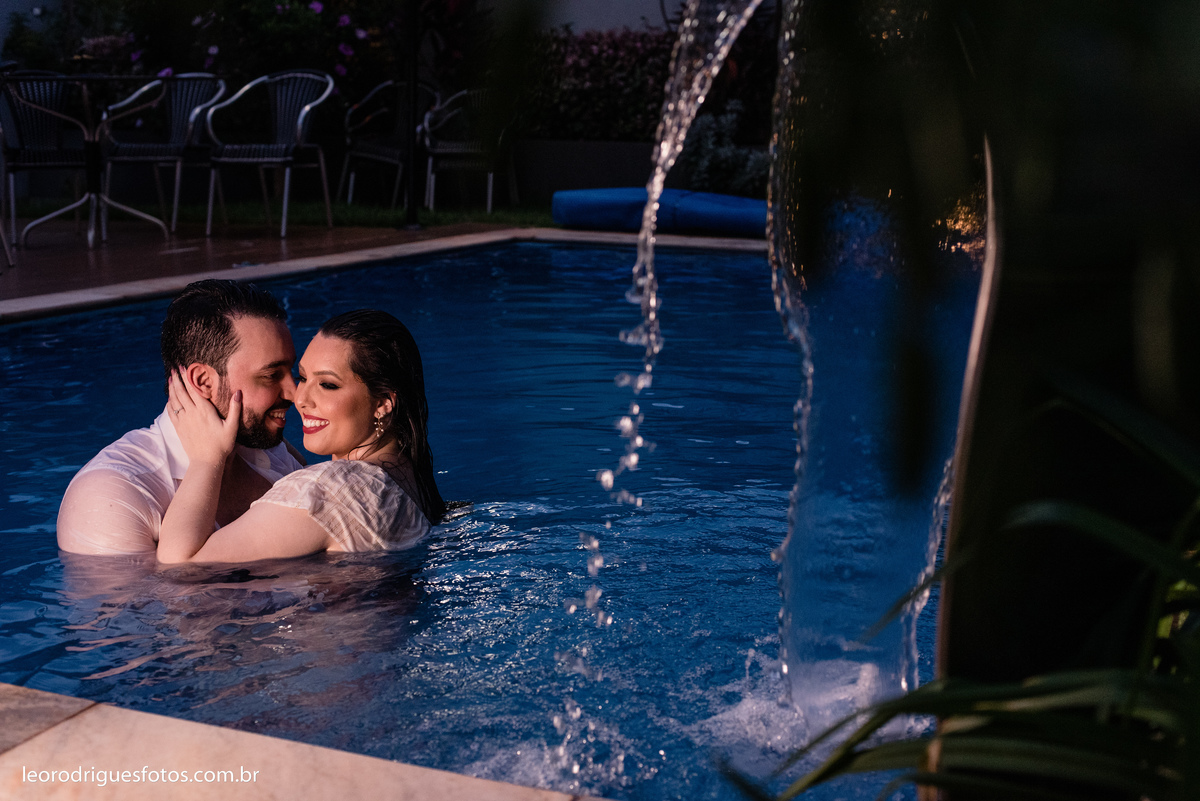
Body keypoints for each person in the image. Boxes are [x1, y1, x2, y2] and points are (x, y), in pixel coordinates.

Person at [156, 309, 446, 563]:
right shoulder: (410, 476)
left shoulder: (322, 492)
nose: (300, 398)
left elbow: (182, 566)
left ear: (383, 402)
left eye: (328, 385)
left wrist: (206, 459)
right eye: (304, 377)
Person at [57, 279, 305, 556]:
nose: (295, 394)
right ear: (203, 381)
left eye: (290, 371)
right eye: (272, 375)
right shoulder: (111, 493)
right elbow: (165, 597)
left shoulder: (272, 454)